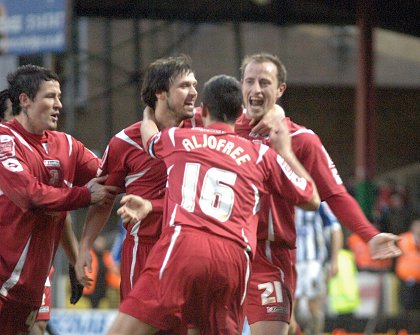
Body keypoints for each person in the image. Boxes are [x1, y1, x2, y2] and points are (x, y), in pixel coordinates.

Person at [108, 74, 320, 335]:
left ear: (204, 110)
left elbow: (150, 137)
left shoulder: (179, 139)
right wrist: (285, 151)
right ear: (239, 112)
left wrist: (149, 114)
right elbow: (310, 197)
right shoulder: (261, 154)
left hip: (185, 245)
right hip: (234, 257)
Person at [234, 52, 402, 335]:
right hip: (226, 251)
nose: (256, 89)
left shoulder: (301, 140)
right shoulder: (223, 130)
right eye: (250, 81)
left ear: (280, 89)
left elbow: (335, 194)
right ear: (240, 86)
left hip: (270, 257)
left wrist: (369, 235)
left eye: (265, 82)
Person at [0, 64, 119, 335]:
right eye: (50, 97)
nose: (59, 105)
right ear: (25, 100)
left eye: (60, 96)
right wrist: (84, 195)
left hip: (30, 287)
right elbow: (30, 195)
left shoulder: (66, 145)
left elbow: (110, 177)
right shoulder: (4, 140)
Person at [75, 55, 202, 307]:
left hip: (190, 247)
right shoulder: (124, 142)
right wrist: (84, 248)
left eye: (195, 85)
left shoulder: (203, 133)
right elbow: (103, 198)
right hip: (144, 250)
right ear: (160, 92)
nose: (194, 92)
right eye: (185, 86)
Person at [1, 93, 84, 335]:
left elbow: (59, 212)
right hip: (7, 266)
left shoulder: (44, 156)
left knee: (36, 326)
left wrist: (75, 260)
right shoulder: (6, 153)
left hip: (35, 266)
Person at [294, 202, 343, 335]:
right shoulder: (286, 199)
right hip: (292, 262)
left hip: (314, 262)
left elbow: (336, 229)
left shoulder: (318, 202)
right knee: (290, 307)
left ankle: (316, 332)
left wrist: (335, 260)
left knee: (314, 305)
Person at [395, 217, 420, 332]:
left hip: (418, 280)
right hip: (407, 280)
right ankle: (406, 330)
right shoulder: (404, 239)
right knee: (406, 308)